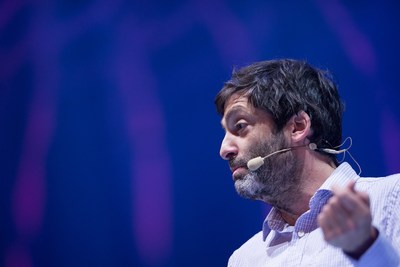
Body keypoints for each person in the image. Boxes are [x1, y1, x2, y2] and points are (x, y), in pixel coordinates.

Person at [215, 59, 400, 266]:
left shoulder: (394, 198)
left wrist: (367, 248)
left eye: (240, 126)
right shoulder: (244, 259)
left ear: (297, 126)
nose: (224, 150)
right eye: (225, 132)